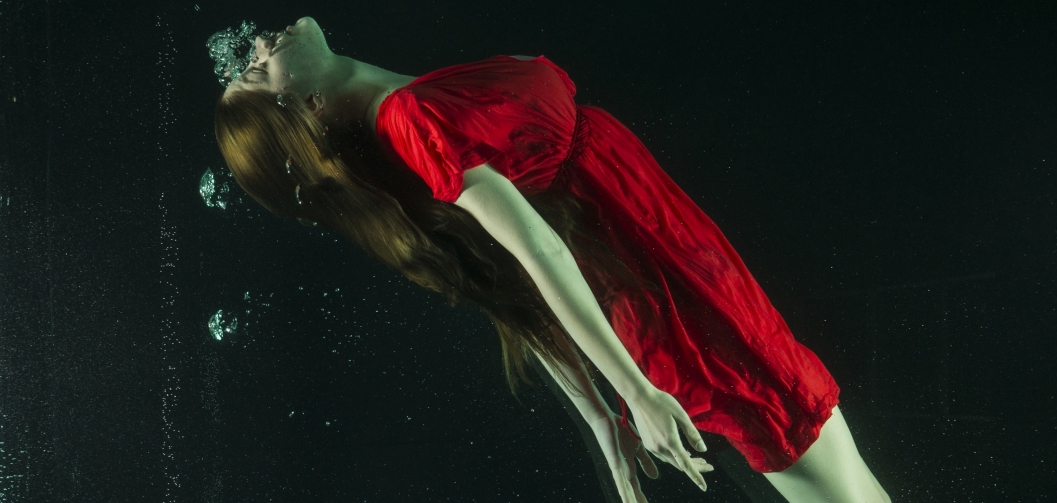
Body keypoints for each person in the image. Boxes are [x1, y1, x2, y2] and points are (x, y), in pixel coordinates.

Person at [213, 16, 890, 503]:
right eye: (253, 68)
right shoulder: (412, 118)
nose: (258, 44)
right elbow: (534, 252)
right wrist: (631, 393)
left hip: (664, 256)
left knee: (842, 475)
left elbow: (508, 279)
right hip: (664, 285)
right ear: (309, 107)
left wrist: (600, 419)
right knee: (826, 466)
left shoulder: (410, 106)